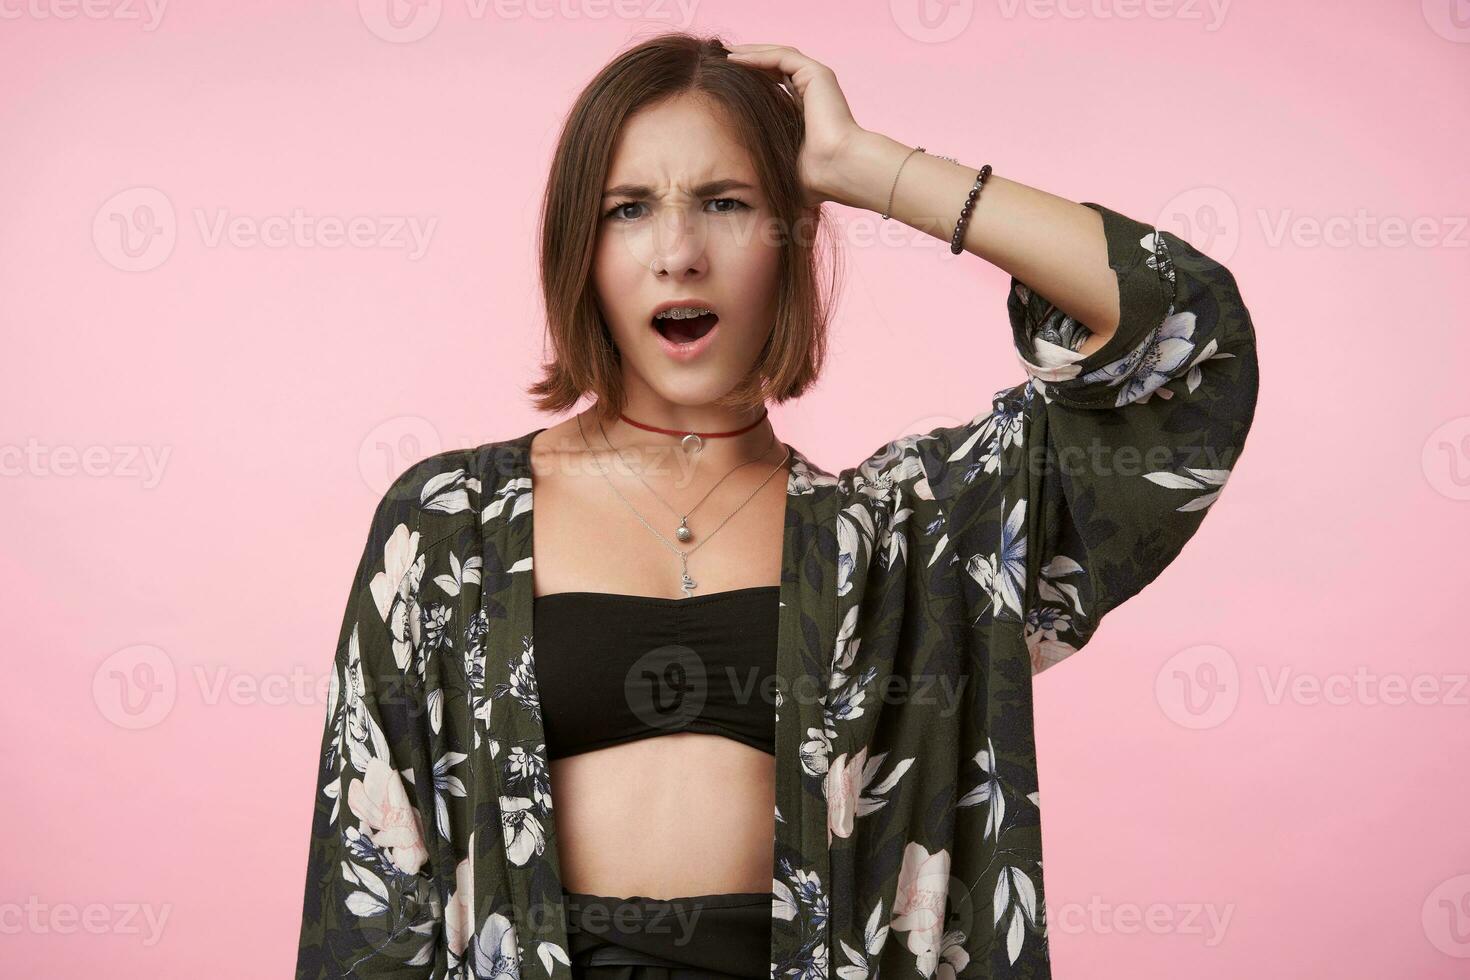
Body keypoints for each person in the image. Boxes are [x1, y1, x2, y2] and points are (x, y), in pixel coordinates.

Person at [294, 32, 1260, 980]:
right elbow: (369, 904)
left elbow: (1187, 334)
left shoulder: (905, 544)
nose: (678, 252)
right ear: (577, 250)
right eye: (628, 209)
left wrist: (869, 167)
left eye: (726, 202)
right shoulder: (446, 528)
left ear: (792, 237)